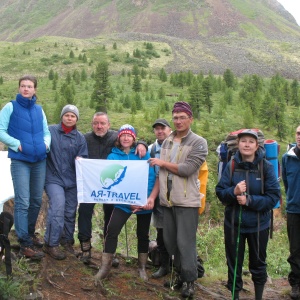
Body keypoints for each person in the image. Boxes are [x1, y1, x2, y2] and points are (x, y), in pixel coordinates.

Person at [149, 101, 208, 299]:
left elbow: (187, 169)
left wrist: (163, 162)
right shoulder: (167, 141)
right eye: (175, 117)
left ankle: (190, 282)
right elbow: (161, 174)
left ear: (190, 119)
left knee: (185, 243)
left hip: (187, 201)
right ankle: (179, 276)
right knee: (171, 242)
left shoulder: (199, 142)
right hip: (167, 201)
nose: (178, 121)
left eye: (183, 117)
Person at [216, 129, 280, 300]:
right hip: (233, 224)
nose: (246, 144)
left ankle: (258, 296)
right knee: (234, 263)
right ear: (238, 144)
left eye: (251, 142)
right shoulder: (231, 165)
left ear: (256, 146)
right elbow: (220, 192)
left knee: (258, 263)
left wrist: (249, 200)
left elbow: (274, 197)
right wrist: (233, 191)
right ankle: (235, 296)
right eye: (243, 141)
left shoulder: (265, 167)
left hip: (259, 224)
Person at [77, 112, 147, 264]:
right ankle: (85, 248)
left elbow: (130, 139)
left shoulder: (115, 136)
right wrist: (79, 158)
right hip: (91, 184)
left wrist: (142, 144)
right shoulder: (85, 138)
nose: (99, 126)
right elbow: (77, 150)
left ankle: (109, 251)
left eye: (102, 123)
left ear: (109, 125)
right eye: (96, 123)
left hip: (111, 186)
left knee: (110, 215)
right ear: (92, 124)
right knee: (84, 212)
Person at [94, 124, 158, 282]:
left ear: (134, 138)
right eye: (123, 135)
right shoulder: (113, 157)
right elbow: (111, 185)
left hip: (143, 203)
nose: (126, 138)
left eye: (129, 135)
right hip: (123, 203)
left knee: (143, 235)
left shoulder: (143, 153)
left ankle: (142, 267)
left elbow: (152, 177)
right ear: (119, 138)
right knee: (112, 230)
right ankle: (105, 267)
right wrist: (128, 201)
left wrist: (147, 199)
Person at [0, 75, 51, 260]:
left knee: (36, 200)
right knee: (23, 201)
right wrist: (17, 144)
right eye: (23, 86)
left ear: (35, 89)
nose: (26, 89)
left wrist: (46, 145)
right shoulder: (10, 107)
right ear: (19, 87)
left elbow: (46, 132)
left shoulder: (39, 110)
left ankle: (29, 234)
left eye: (29, 86)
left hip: (39, 160)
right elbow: (0, 130)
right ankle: (24, 244)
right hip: (20, 160)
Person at [43, 104, 88, 260]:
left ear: (76, 119)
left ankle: (67, 241)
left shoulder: (80, 138)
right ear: (62, 116)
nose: (69, 118)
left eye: (73, 116)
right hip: (53, 178)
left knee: (70, 211)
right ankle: (51, 244)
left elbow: (84, 156)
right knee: (57, 207)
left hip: (72, 180)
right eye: (67, 115)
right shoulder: (50, 131)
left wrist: (81, 159)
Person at [148, 118, 172, 278]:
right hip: (158, 196)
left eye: (162, 128)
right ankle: (165, 265)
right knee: (161, 232)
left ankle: (180, 266)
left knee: (177, 233)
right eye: (157, 129)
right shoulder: (151, 149)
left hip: (175, 195)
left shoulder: (177, 146)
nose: (160, 131)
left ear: (169, 129)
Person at [282, 125, 300, 300]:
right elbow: (286, 183)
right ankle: (296, 284)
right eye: (298, 133)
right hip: (294, 209)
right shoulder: (287, 158)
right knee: (295, 249)